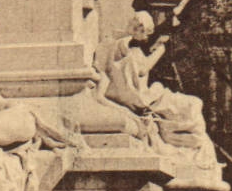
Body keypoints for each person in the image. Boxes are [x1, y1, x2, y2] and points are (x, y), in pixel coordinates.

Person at [93, 11, 216, 167]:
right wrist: (161, 50)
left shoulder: (133, 51)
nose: (145, 38)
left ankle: (196, 148)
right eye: (144, 32)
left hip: (152, 96)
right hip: (147, 102)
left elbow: (141, 70)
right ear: (137, 28)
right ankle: (194, 148)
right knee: (193, 106)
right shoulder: (114, 51)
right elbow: (141, 70)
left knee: (195, 105)